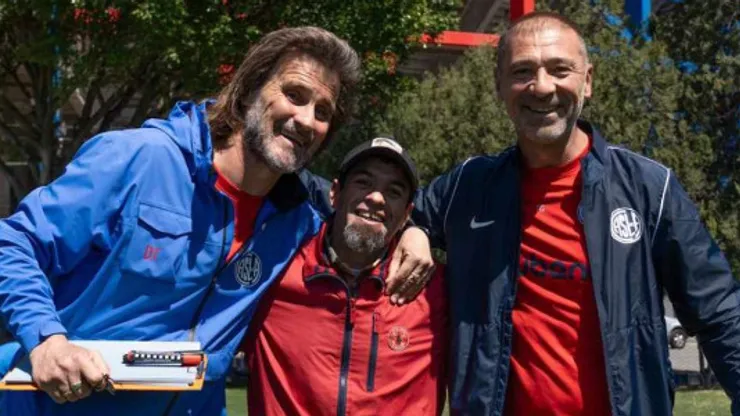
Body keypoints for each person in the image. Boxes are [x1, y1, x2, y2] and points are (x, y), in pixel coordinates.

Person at [0, 27, 432, 416]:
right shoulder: (140, 159)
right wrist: (45, 340)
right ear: (249, 90)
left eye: (323, 112)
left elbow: (365, 212)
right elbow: (15, 243)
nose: (306, 119)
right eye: (295, 94)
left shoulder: (296, 220)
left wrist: (415, 231)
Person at [409, 11, 740, 415]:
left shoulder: (649, 187)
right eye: (522, 71)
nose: (542, 87)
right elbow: (391, 215)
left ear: (588, 81)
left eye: (559, 69)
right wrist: (415, 229)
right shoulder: (467, 187)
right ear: (500, 87)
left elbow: (719, 311)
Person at [243, 137, 448, 415]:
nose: (376, 198)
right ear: (335, 194)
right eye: (364, 182)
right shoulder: (275, 270)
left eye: (394, 191)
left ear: (406, 215)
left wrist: (418, 232)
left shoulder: (439, 290)